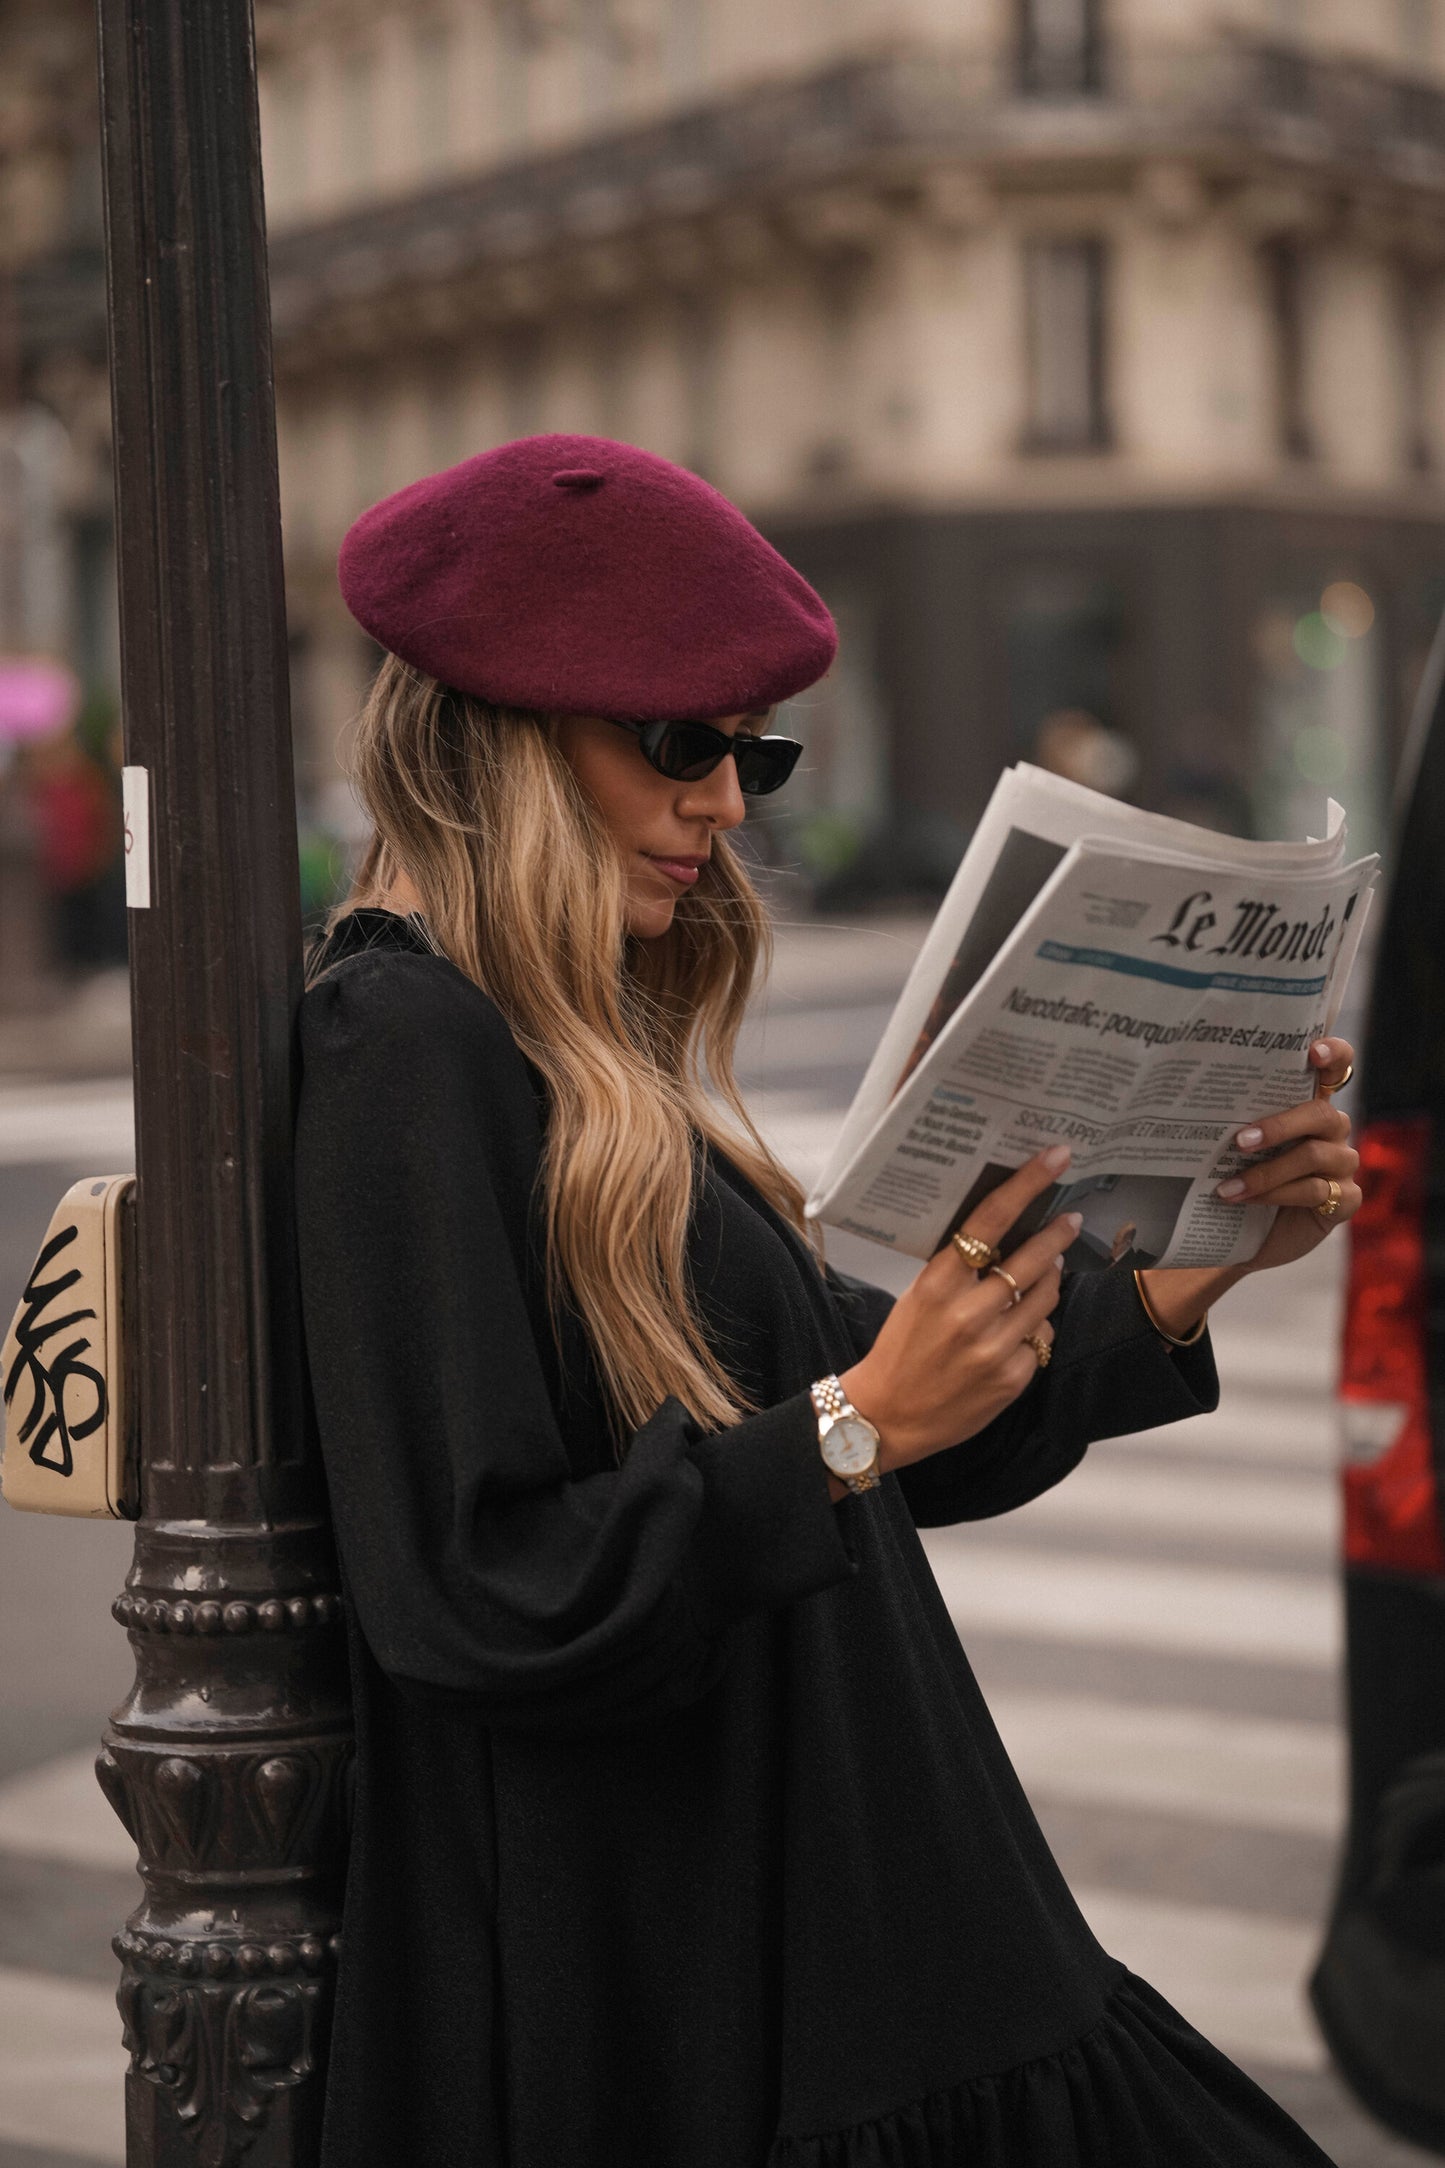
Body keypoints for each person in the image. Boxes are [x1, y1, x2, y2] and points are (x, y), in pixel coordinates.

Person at [293, 435, 1361, 2168]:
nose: (725, 801)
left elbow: (867, 1426)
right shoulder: (404, 1045)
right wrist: (852, 1430)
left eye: (750, 751)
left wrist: (1176, 1274)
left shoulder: (570, 1041)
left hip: (841, 1905)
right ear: (497, 738)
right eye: (678, 744)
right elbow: (471, 1590)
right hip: (698, 1959)